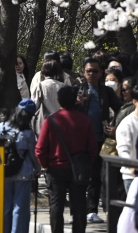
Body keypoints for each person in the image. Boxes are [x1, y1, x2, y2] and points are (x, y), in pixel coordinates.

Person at [35, 86, 98, 233]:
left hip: (55, 169)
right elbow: (93, 148)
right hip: (78, 170)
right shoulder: (84, 120)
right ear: (75, 100)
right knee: (79, 206)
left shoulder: (50, 121)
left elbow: (40, 149)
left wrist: (44, 165)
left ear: (58, 100)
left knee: (56, 206)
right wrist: (86, 164)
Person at [79, 58, 120, 223]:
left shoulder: (106, 92)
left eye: (95, 71)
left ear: (101, 72)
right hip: (80, 141)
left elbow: (121, 109)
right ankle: (78, 210)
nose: (92, 74)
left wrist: (114, 127)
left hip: (100, 140)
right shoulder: (78, 90)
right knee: (79, 176)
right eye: (89, 71)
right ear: (84, 72)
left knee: (96, 176)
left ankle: (91, 210)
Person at [0, 99, 39, 233]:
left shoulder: (1, 127)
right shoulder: (28, 133)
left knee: (6, 206)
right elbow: (33, 155)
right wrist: (38, 169)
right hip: (23, 173)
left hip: (3, 171)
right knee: (19, 208)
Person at [114, 84, 138, 193]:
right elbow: (122, 149)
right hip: (132, 176)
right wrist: (132, 167)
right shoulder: (127, 124)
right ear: (135, 101)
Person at [32, 59, 65, 131]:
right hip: (61, 122)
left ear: (43, 71)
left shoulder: (39, 86)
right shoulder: (63, 86)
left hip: (44, 123)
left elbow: (34, 105)